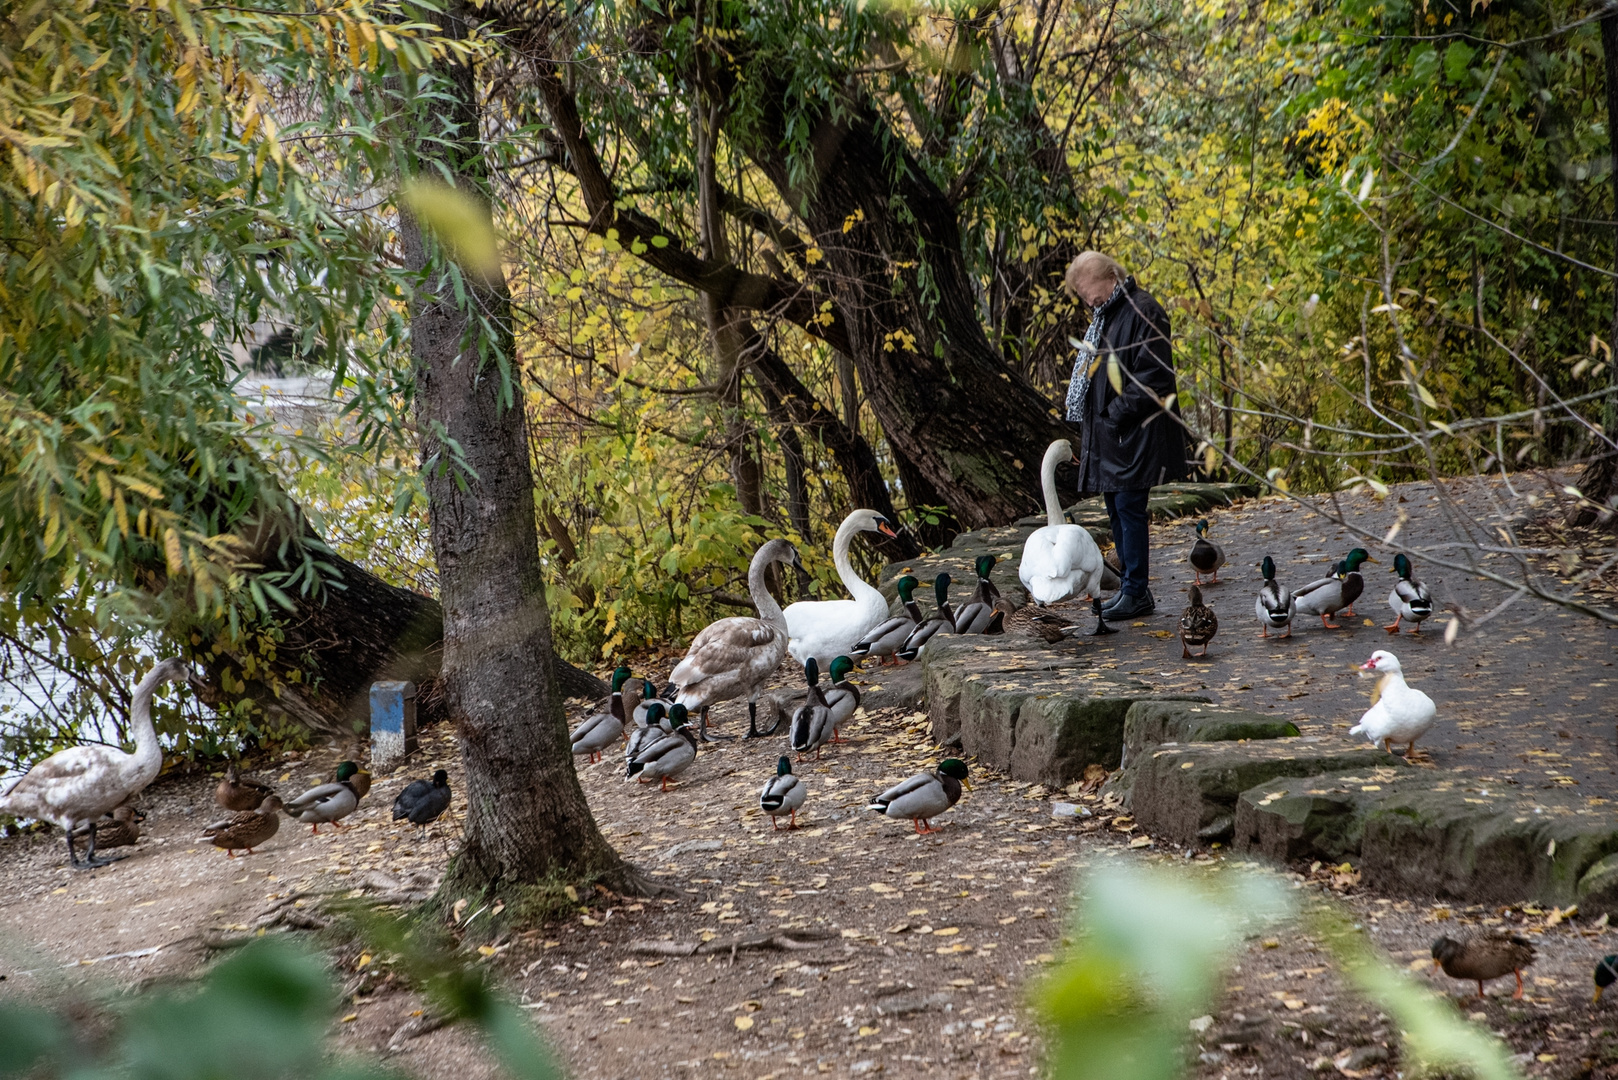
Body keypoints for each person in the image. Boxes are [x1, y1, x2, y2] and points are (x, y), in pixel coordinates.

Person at [1062, 251, 1191, 619]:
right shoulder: (1109, 313)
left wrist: (1112, 416)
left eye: (1091, 292)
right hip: (1112, 437)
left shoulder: (1143, 311)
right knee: (1116, 511)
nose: (1089, 301)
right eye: (1083, 296)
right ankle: (1132, 589)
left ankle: (1136, 591)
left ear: (1111, 276)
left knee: (1130, 511)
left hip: (1133, 435)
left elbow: (1156, 379)